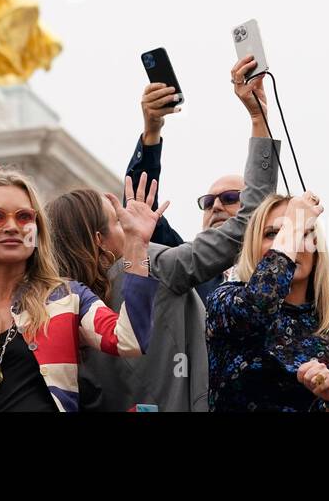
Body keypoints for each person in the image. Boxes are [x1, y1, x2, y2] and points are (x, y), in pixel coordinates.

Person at [48, 56, 279, 412]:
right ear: (98, 239)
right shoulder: (156, 266)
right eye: (118, 220)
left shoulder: (48, 305)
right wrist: (257, 119)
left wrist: (152, 132)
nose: (130, 224)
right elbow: (249, 221)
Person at [129, 59, 329, 305]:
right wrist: (151, 131)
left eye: (230, 197)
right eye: (207, 202)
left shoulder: (291, 270)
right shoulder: (189, 266)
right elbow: (140, 210)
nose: (216, 205)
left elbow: (327, 317)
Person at [0, 168, 163, 412]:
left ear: (37, 232)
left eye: (24, 216)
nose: (12, 226)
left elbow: (130, 340)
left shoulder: (69, 297)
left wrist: (137, 247)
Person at [206, 191, 329, 412]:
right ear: (254, 247)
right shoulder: (226, 300)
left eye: (302, 233)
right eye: (272, 233)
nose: (291, 244)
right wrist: (293, 228)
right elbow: (259, 305)